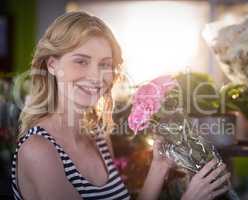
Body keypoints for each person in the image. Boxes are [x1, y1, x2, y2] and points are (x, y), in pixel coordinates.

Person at [11, 11, 230, 200]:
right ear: (52, 64)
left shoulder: (98, 136)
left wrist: (158, 167)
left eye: (105, 64)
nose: (97, 77)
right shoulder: (39, 151)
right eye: (81, 61)